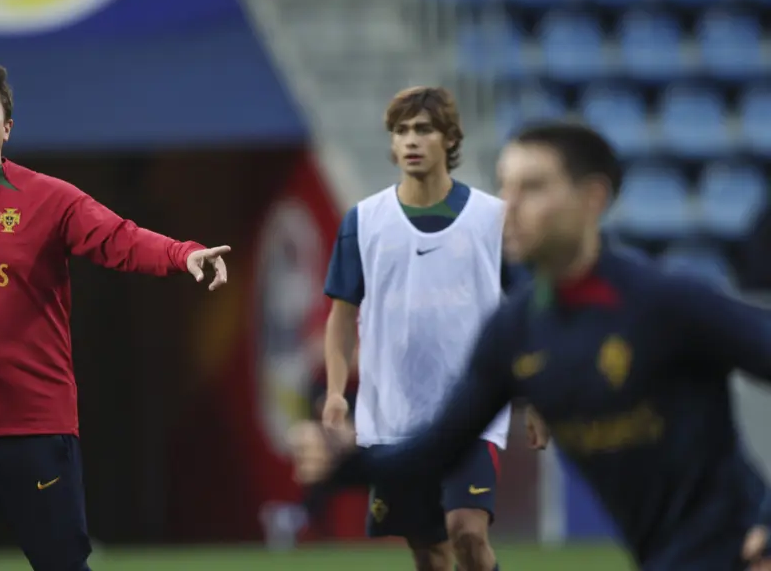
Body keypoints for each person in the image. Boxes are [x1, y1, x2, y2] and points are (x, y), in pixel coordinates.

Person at [290, 121, 771, 571]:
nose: (509, 205)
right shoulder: (515, 331)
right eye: (506, 185)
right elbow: (436, 450)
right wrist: (343, 464)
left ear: (592, 199)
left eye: (534, 187)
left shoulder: (666, 303)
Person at [0, 60, 231, 571]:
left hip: (32, 430)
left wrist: (181, 254)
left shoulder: (50, 200)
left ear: (6, 128)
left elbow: (118, 238)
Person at [317, 86, 532, 571]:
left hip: (473, 411)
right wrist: (335, 392)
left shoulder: (491, 219)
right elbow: (341, 314)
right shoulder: (363, 221)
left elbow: (529, 310)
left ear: (449, 139)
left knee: (467, 534)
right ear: (392, 144)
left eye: (423, 129)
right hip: (394, 418)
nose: (411, 140)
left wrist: (535, 394)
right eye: (401, 131)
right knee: (429, 554)